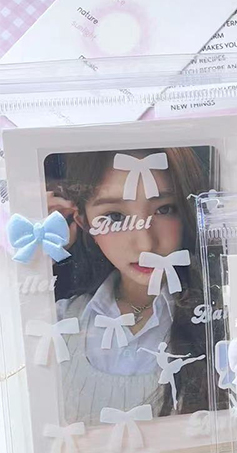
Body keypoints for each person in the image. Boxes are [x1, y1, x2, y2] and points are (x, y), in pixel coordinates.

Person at [45, 147, 213, 424]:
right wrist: (30, 255)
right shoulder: (56, 323)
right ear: (83, 222)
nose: (145, 243)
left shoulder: (219, 319)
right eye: (115, 216)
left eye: (164, 209)